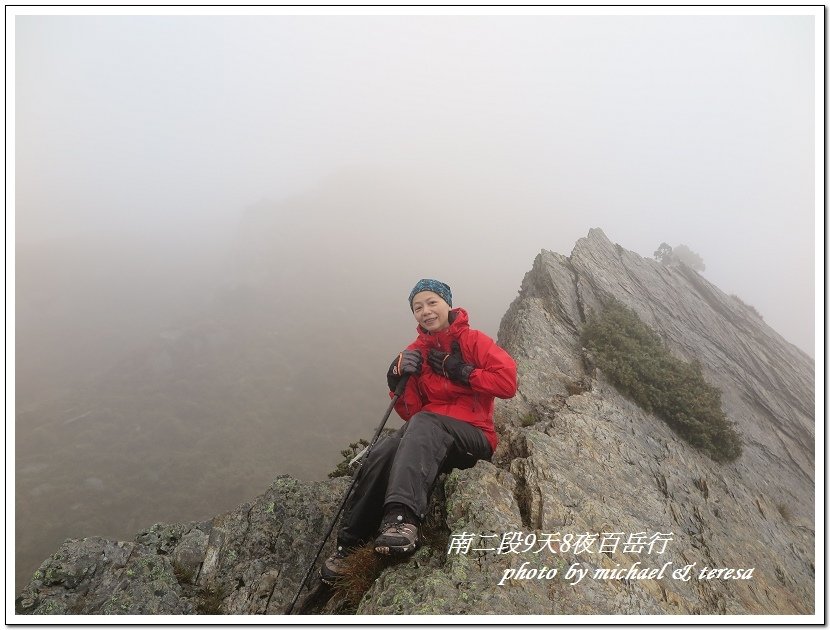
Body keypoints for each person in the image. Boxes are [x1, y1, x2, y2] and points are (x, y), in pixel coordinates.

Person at [321, 278, 518, 583]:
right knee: (386, 448)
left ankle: (402, 520)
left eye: (432, 302)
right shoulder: (415, 352)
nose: (425, 311)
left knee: (425, 423)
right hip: (430, 435)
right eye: (417, 307)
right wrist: (394, 380)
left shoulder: (473, 342)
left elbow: (507, 383)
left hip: (474, 437)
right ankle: (350, 544)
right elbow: (411, 412)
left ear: (447, 304)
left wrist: (462, 371)